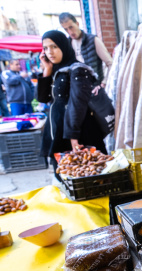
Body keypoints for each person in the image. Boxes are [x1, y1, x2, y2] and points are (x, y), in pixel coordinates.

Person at [37, 30, 107, 179]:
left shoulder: (78, 69)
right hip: (58, 129)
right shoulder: (55, 70)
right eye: (46, 48)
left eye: (54, 46)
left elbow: (78, 104)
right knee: (64, 174)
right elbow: (43, 98)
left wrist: (73, 138)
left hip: (77, 130)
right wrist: (47, 70)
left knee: (87, 174)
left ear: (63, 46)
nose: (50, 52)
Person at [59, 12, 113, 87]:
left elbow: (110, 63)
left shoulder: (93, 40)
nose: (70, 32)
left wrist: (104, 83)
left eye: (71, 27)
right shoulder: (68, 44)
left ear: (77, 24)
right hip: (79, 91)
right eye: (66, 29)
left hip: (96, 89)